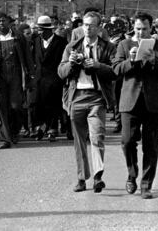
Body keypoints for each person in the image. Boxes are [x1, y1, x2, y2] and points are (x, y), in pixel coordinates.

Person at [113, 12, 158, 199]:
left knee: (151, 146)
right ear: (133, 28)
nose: (140, 33)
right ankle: (132, 173)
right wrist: (130, 61)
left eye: (144, 29)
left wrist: (155, 61)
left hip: (153, 102)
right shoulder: (124, 44)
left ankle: (146, 185)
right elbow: (116, 69)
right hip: (130, 102)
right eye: (137, 29)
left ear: (151, 28)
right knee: (127, 141)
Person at [58, 11, 116, 193]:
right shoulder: (72, 47)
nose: (87, 28)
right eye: (85, 24)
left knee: (97, 136)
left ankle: (98, 176)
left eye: (91, 25)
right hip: (76, 97)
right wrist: (71, 64)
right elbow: (61, 72)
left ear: (99, 28)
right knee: (79, 140)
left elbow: (116, 70)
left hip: (97, 97)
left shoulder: (107, 47)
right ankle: (82, 178)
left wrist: (98, 66)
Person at [0, 12, 34, 149]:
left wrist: (30, 77)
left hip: (16, 77)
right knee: (1, 110)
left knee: (15, 106)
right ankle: (4, 139)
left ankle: (14, 131)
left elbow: (28, 58)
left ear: (9, 22)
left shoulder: (18, 37)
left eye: (3, 20)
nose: (1, 23)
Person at [30, 16, 68, 141]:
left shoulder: (61, 42)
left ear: (48, 30)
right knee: (37, 104)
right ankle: (40, 127)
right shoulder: (35, 41)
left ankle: (52, 129)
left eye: (41, 29)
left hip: (54, 78)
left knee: (53, 105)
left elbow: (64, 61)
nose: (39, 32)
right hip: (39, 79)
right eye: (38, 29)